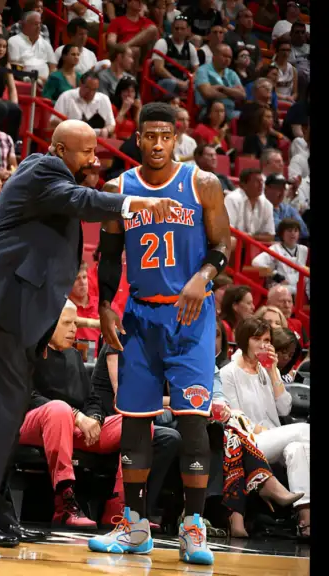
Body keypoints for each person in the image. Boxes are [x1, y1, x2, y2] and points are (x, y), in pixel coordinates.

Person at [0, 119, 182, 548]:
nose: (94, 159)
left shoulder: (52, 180)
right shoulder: (43, 170)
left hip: (13, 315)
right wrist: (137, 204)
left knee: (4, 417)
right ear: (59, 149)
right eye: (85, 151)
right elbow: (81, 200)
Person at [89, 103, 232, 566]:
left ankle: (193, 528)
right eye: (148, 136)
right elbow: (108, 257)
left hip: (191, 319)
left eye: (164, 136)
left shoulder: (202, 184)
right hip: (140, 318)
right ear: (138, 139)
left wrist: (204, 275)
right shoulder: (120, 188)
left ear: (176, 138)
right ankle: (135, 526)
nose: (156, 144)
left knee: (193, 422)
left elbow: (222, 247)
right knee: (134, 423)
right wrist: (106, 307)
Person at [20, 302, 113, 528]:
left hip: (72, 427)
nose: (74, 329)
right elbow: (27, 396)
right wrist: (77, 415)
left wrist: (94, 419)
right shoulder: (29, 350)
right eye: (67, 324)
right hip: (31, 422)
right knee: (59, 409)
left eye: (76, 323)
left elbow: (92, 399)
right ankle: (65, 502)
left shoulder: (73, 355)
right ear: (49, 324)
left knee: (135, 424)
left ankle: (121, 508)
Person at [220, 316, 310, 538]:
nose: (263, 344)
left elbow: (285, 408)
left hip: (277, 438)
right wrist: (271, 433)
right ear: (243, 340)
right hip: (250, 442)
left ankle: (305, 521)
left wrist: (273, 372)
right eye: (256, 338)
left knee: (297, 449)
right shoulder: (229, 373)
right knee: (304, 430)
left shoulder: (268, 369)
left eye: (267, 339)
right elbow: (237, 419)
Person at [89, 341, 183, 526]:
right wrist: (173, 401)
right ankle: (122, 507)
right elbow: (124, 394)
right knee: (143, 428)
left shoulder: (161, 348)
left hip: (138, 420)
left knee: (172, 438)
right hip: (106, 419)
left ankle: (144, 510)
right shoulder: (119, 338)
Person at [251, 217, 308, 294]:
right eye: (289, 231)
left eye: (296, 231)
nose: (293, 233)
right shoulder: (275, 248)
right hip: (280, 285)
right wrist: (276, 275)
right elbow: (256, 262)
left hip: (297, 284)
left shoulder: (304, 249)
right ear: (282, 233)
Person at [51, 72, 117, 138]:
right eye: (87, 88)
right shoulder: (66, 96)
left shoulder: (104, 99)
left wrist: (106, 130)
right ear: (80, 84)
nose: (91, 93)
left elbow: (111, 125)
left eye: (94, 90)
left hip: (96, 140)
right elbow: (54, 121)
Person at [193, 43, 244, 122]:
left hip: (229, 111)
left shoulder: (232, 73)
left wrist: (222, 88)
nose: (227, 59)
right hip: (209, 111)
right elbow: (207, 93)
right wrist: (232, 94)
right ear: (214, 56)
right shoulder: (202, 70)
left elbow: (242, 94)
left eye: (229, 57)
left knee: (248, 116)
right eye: (224, 56)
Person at [152, 15, 199, 97]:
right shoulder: (162, 43)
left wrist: (188, 82)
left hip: (184, 82)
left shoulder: (190, 48)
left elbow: (197, 70)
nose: (179, 31)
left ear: (188, 30)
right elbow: (158, 69)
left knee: (200, 87)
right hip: (164, 82)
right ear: (172, 28)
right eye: (176, 28)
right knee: (171, 83)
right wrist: (177, 81)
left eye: (182, 29)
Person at [224, 168, 275, 242]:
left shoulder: (267, 204)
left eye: (262, 181)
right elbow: (227, 231)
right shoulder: (232, 199)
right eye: (257, 181)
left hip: (254, 247)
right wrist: (253, 238)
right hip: (234, 246)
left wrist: (250, 237)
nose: (261, 184)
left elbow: (270, 236)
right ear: (243, 185)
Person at [7, 10, 56, 85]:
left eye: (40, 23)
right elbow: (15, 68)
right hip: (23, 82)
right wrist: (38, 79)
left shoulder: (46, 44)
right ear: (25, 25)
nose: (39, 26)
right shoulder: (14, 41)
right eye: (35, 24)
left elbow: (53, 67)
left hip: (45, 84)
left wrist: (49, 82)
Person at [264, 173, 309, 241]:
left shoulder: (289, 209)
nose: (282, 192)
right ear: (266, 189)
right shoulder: (262, 208)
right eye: (278, 188)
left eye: (284, 188)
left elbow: (304, 231)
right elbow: (276, 229)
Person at [272, 38, 298, 103]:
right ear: (277, 51)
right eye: (283, 50)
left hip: (289, 100)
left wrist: (292, 98)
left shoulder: (293, 69)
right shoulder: (271, 68)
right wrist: (286, 98)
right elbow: (271, 92)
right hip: (275, 101)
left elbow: (295, 92)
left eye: (288, 50)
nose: (285, 53)